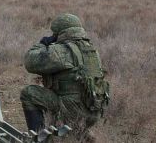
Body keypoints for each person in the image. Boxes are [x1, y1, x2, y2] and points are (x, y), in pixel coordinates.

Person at [20, 13, 110, 141]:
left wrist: (42, 44)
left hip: (72, 110)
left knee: (29, 93)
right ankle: (80, 135)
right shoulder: (92, 51)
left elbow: (30, 62)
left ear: (59, 33)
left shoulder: (63, 50)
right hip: (93, 111)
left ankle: (38, 138)